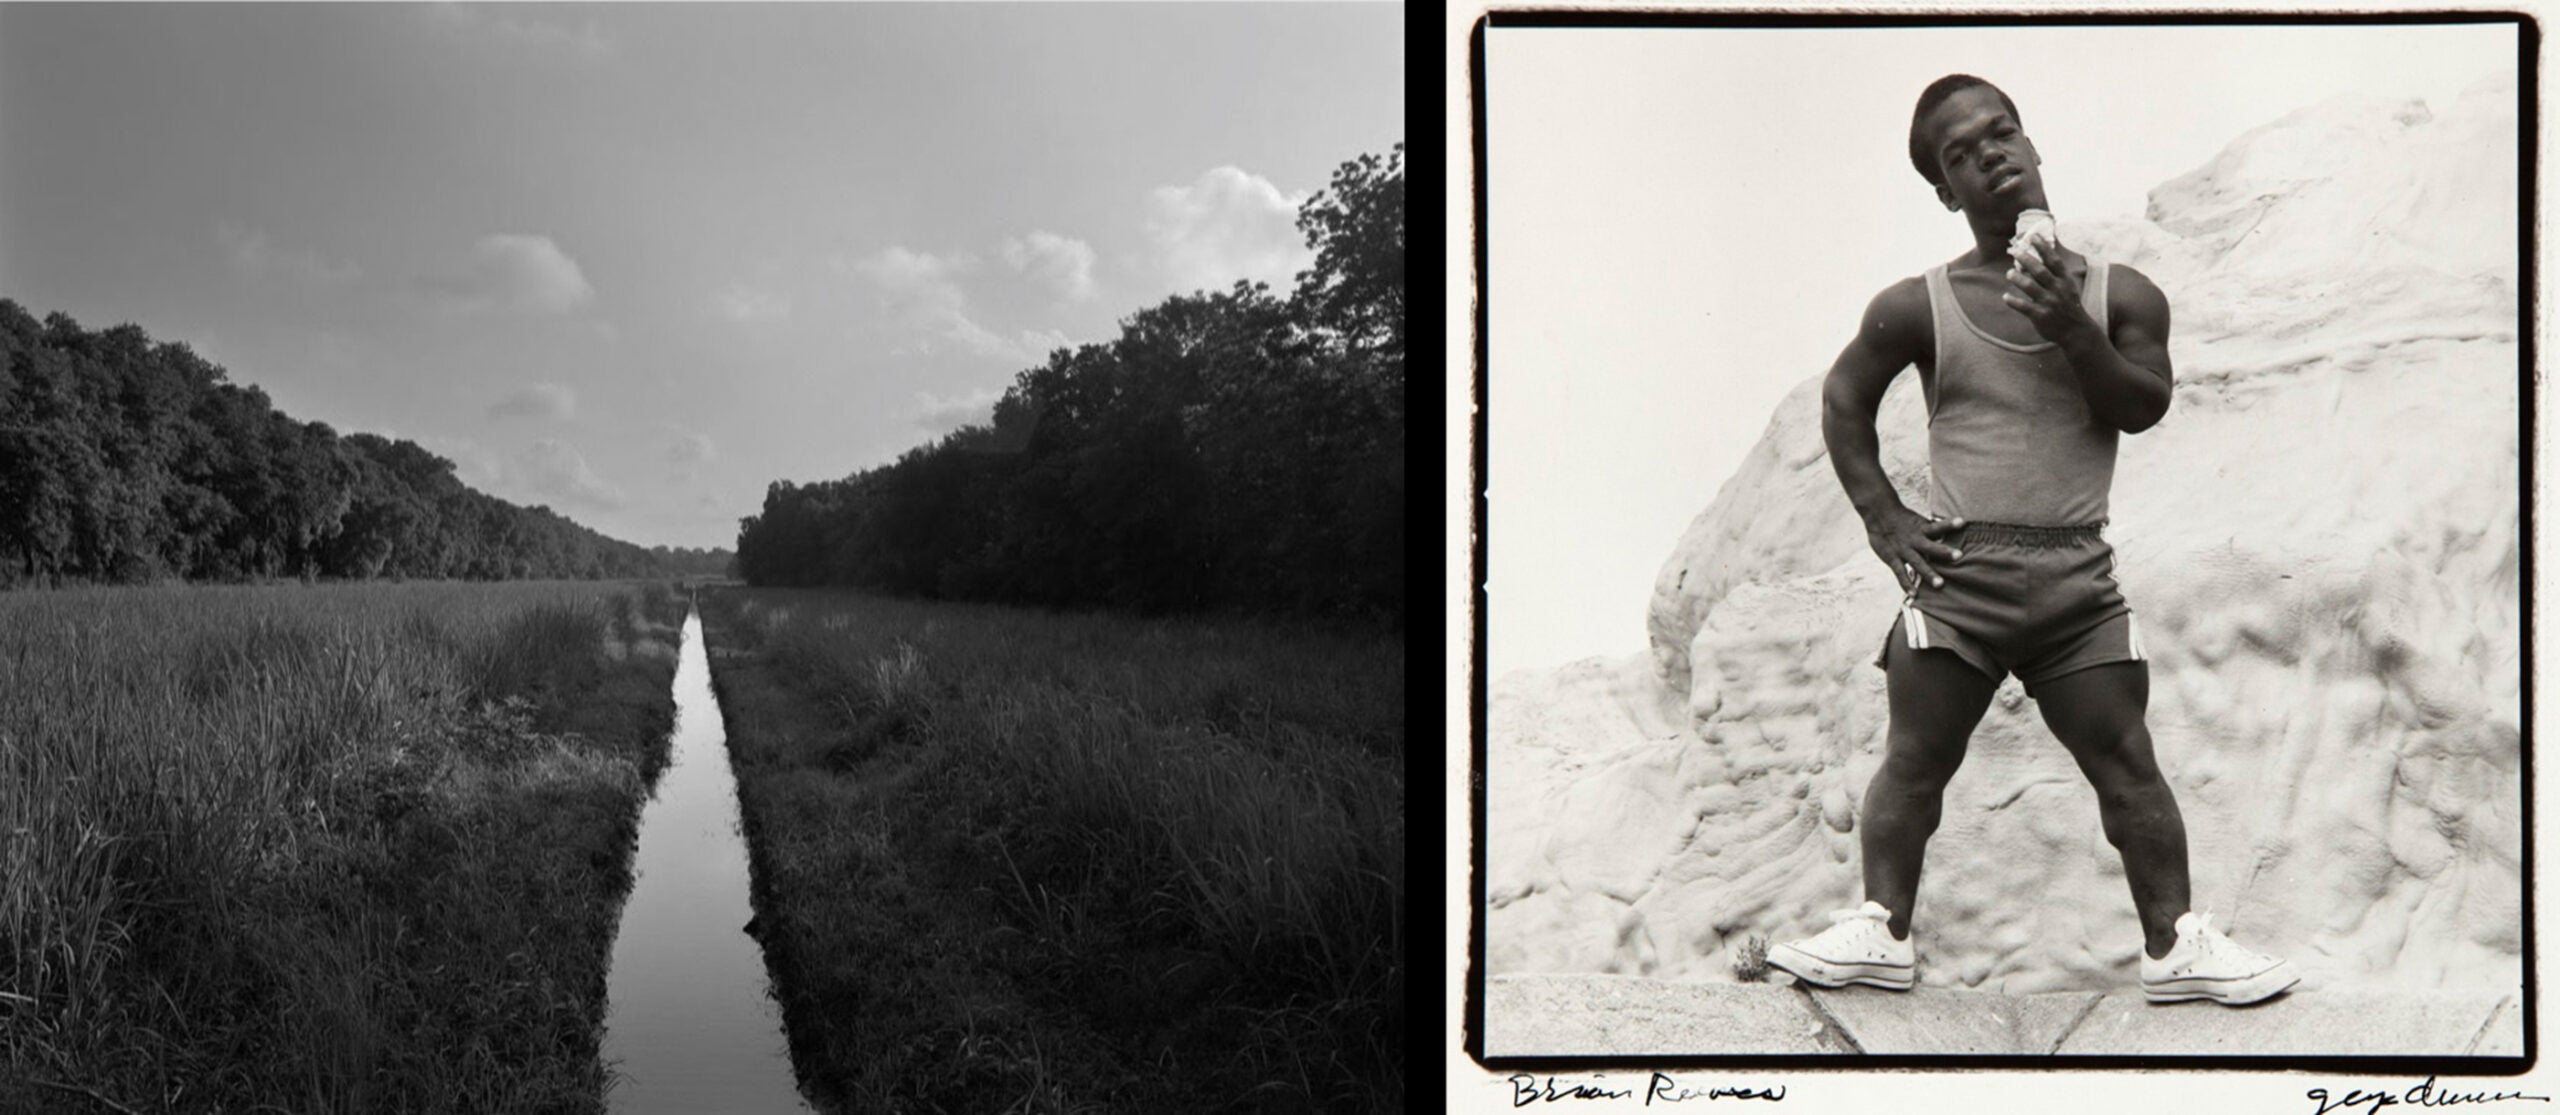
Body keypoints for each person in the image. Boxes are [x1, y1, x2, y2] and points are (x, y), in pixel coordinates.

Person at [1762, 74, 2297, 1006]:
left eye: (2001, 133)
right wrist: (1884, 517)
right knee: (1914, 760)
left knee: (2127, 761)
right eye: (1962, 155)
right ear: (1946, 191)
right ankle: (1881, 929)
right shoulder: (1918, 303)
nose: (1991, 155)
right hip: (1963, 575)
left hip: (2075, 579)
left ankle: (2175, 947)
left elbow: (2143, 406)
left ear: (2033, 144)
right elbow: (1844, 399)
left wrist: (2068, 326)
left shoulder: (2122, 292)